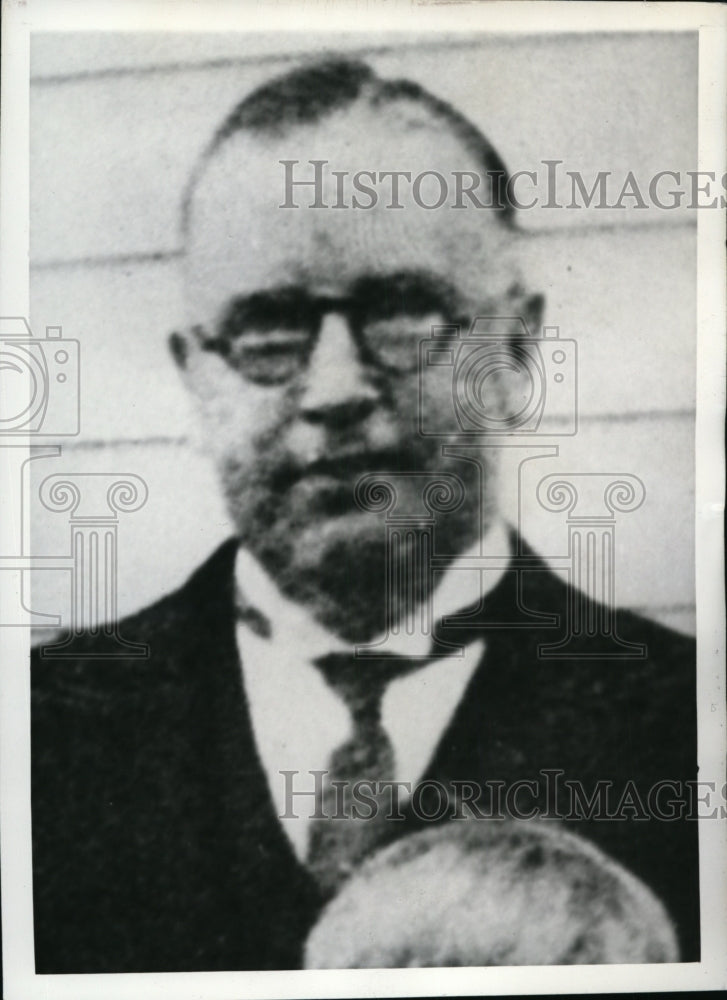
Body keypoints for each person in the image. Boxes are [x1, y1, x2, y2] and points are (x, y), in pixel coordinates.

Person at [31, 57, 698, 973]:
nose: (336, 389)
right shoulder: (35, 741)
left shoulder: (692, 735)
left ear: (515, 350)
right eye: (268, 331)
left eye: (402, 314)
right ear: (195, 373)